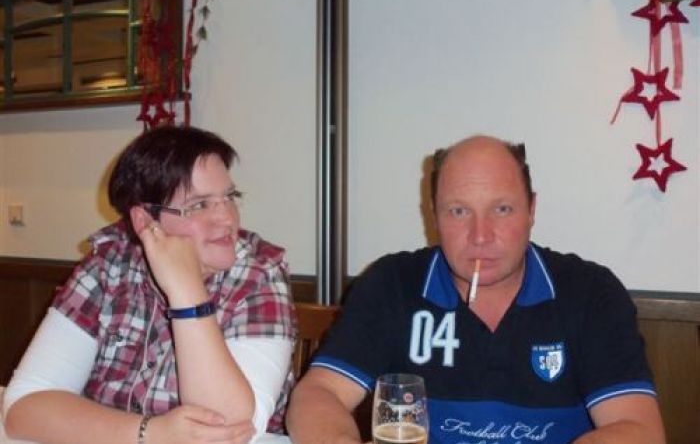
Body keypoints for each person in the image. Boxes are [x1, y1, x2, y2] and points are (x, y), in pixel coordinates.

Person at [286, 135, 665, 444]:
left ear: (531, 210)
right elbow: (319, 394)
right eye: (458, 211)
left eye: (502, 209)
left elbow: (638, 429)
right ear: (433, 215)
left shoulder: (591, 293)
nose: (480, 236)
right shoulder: (392, 284)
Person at [2, 126, 296, 444]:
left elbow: (228, 429)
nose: (227, 218)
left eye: (229, 197)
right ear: (144, 221)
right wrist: (151, 432)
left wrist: (187, 293)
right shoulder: (107, 266)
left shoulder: (260, 273)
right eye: (200, 205)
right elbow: (23, 407)